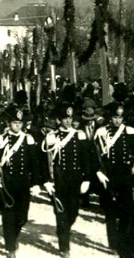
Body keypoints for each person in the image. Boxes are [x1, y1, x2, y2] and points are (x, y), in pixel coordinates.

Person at [0, 107, 46, 258]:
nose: (18, 126)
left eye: (20, 123)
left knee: (22, 216)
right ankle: (10, 247)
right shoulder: (0, 140)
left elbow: (35, 163)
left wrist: (35, 183)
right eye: (15, 123)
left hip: (23, 182)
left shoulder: (28, 139)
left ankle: (14, 237)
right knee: (8, 215)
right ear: (8, 123)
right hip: (6, 182)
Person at [93, 103, 134, 255]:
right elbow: (95, 155)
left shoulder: (129, 131)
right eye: (115, 117)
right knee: (110, 211)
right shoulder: (101, 132)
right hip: (108, 176)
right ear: (110, 117)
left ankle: (122, 241)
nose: (117, 120)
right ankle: (114, 244)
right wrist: (98, 172)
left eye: (120, 117)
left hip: (126, 175)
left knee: (127, 211)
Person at [42, 104, 92, 258]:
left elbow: (86, 158)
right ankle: (64, 247)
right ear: (58, 120)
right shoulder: (52, 137)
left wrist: (87, 179)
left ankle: (62, 230)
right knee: (61, 212)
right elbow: (45, 160)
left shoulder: (79, 135)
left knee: (74, 212)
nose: (68, 121)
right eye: (65, 118)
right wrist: (46, 181)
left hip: (75, 178)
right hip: (59, 178)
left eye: (70, 118)